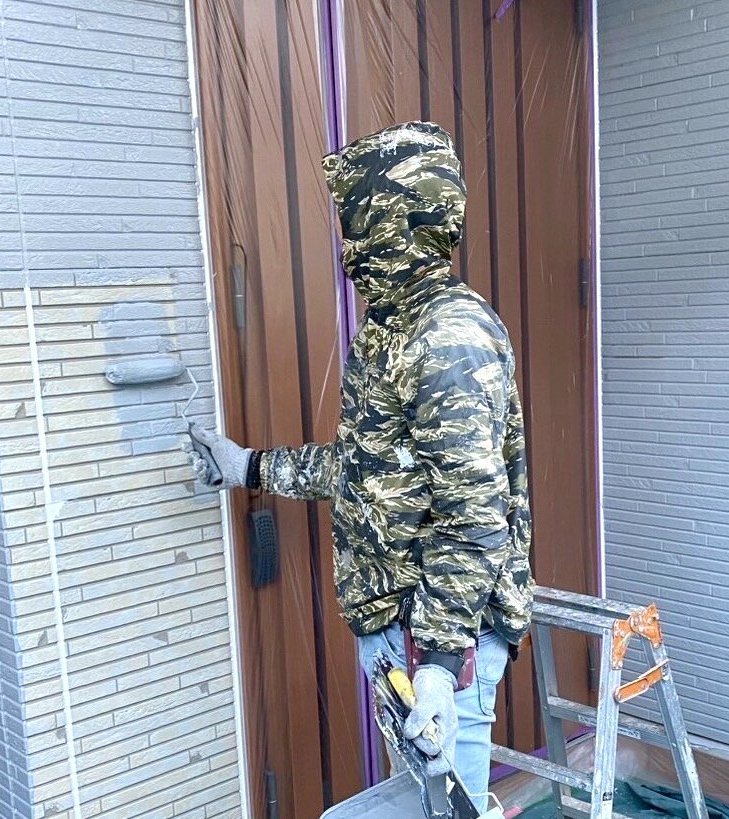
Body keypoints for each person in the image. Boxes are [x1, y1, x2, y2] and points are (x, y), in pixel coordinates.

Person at [189, 120, 532, 811]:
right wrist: (247, 467)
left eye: (359, 223)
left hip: (436, 637)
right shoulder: (389, 331)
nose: (349, 246)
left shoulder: (446, 337)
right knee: (426, 801)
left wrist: (437, 664)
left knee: (452, 807)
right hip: (400, 631)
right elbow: (365, 469)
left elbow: (473, 517)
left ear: (401, 221)